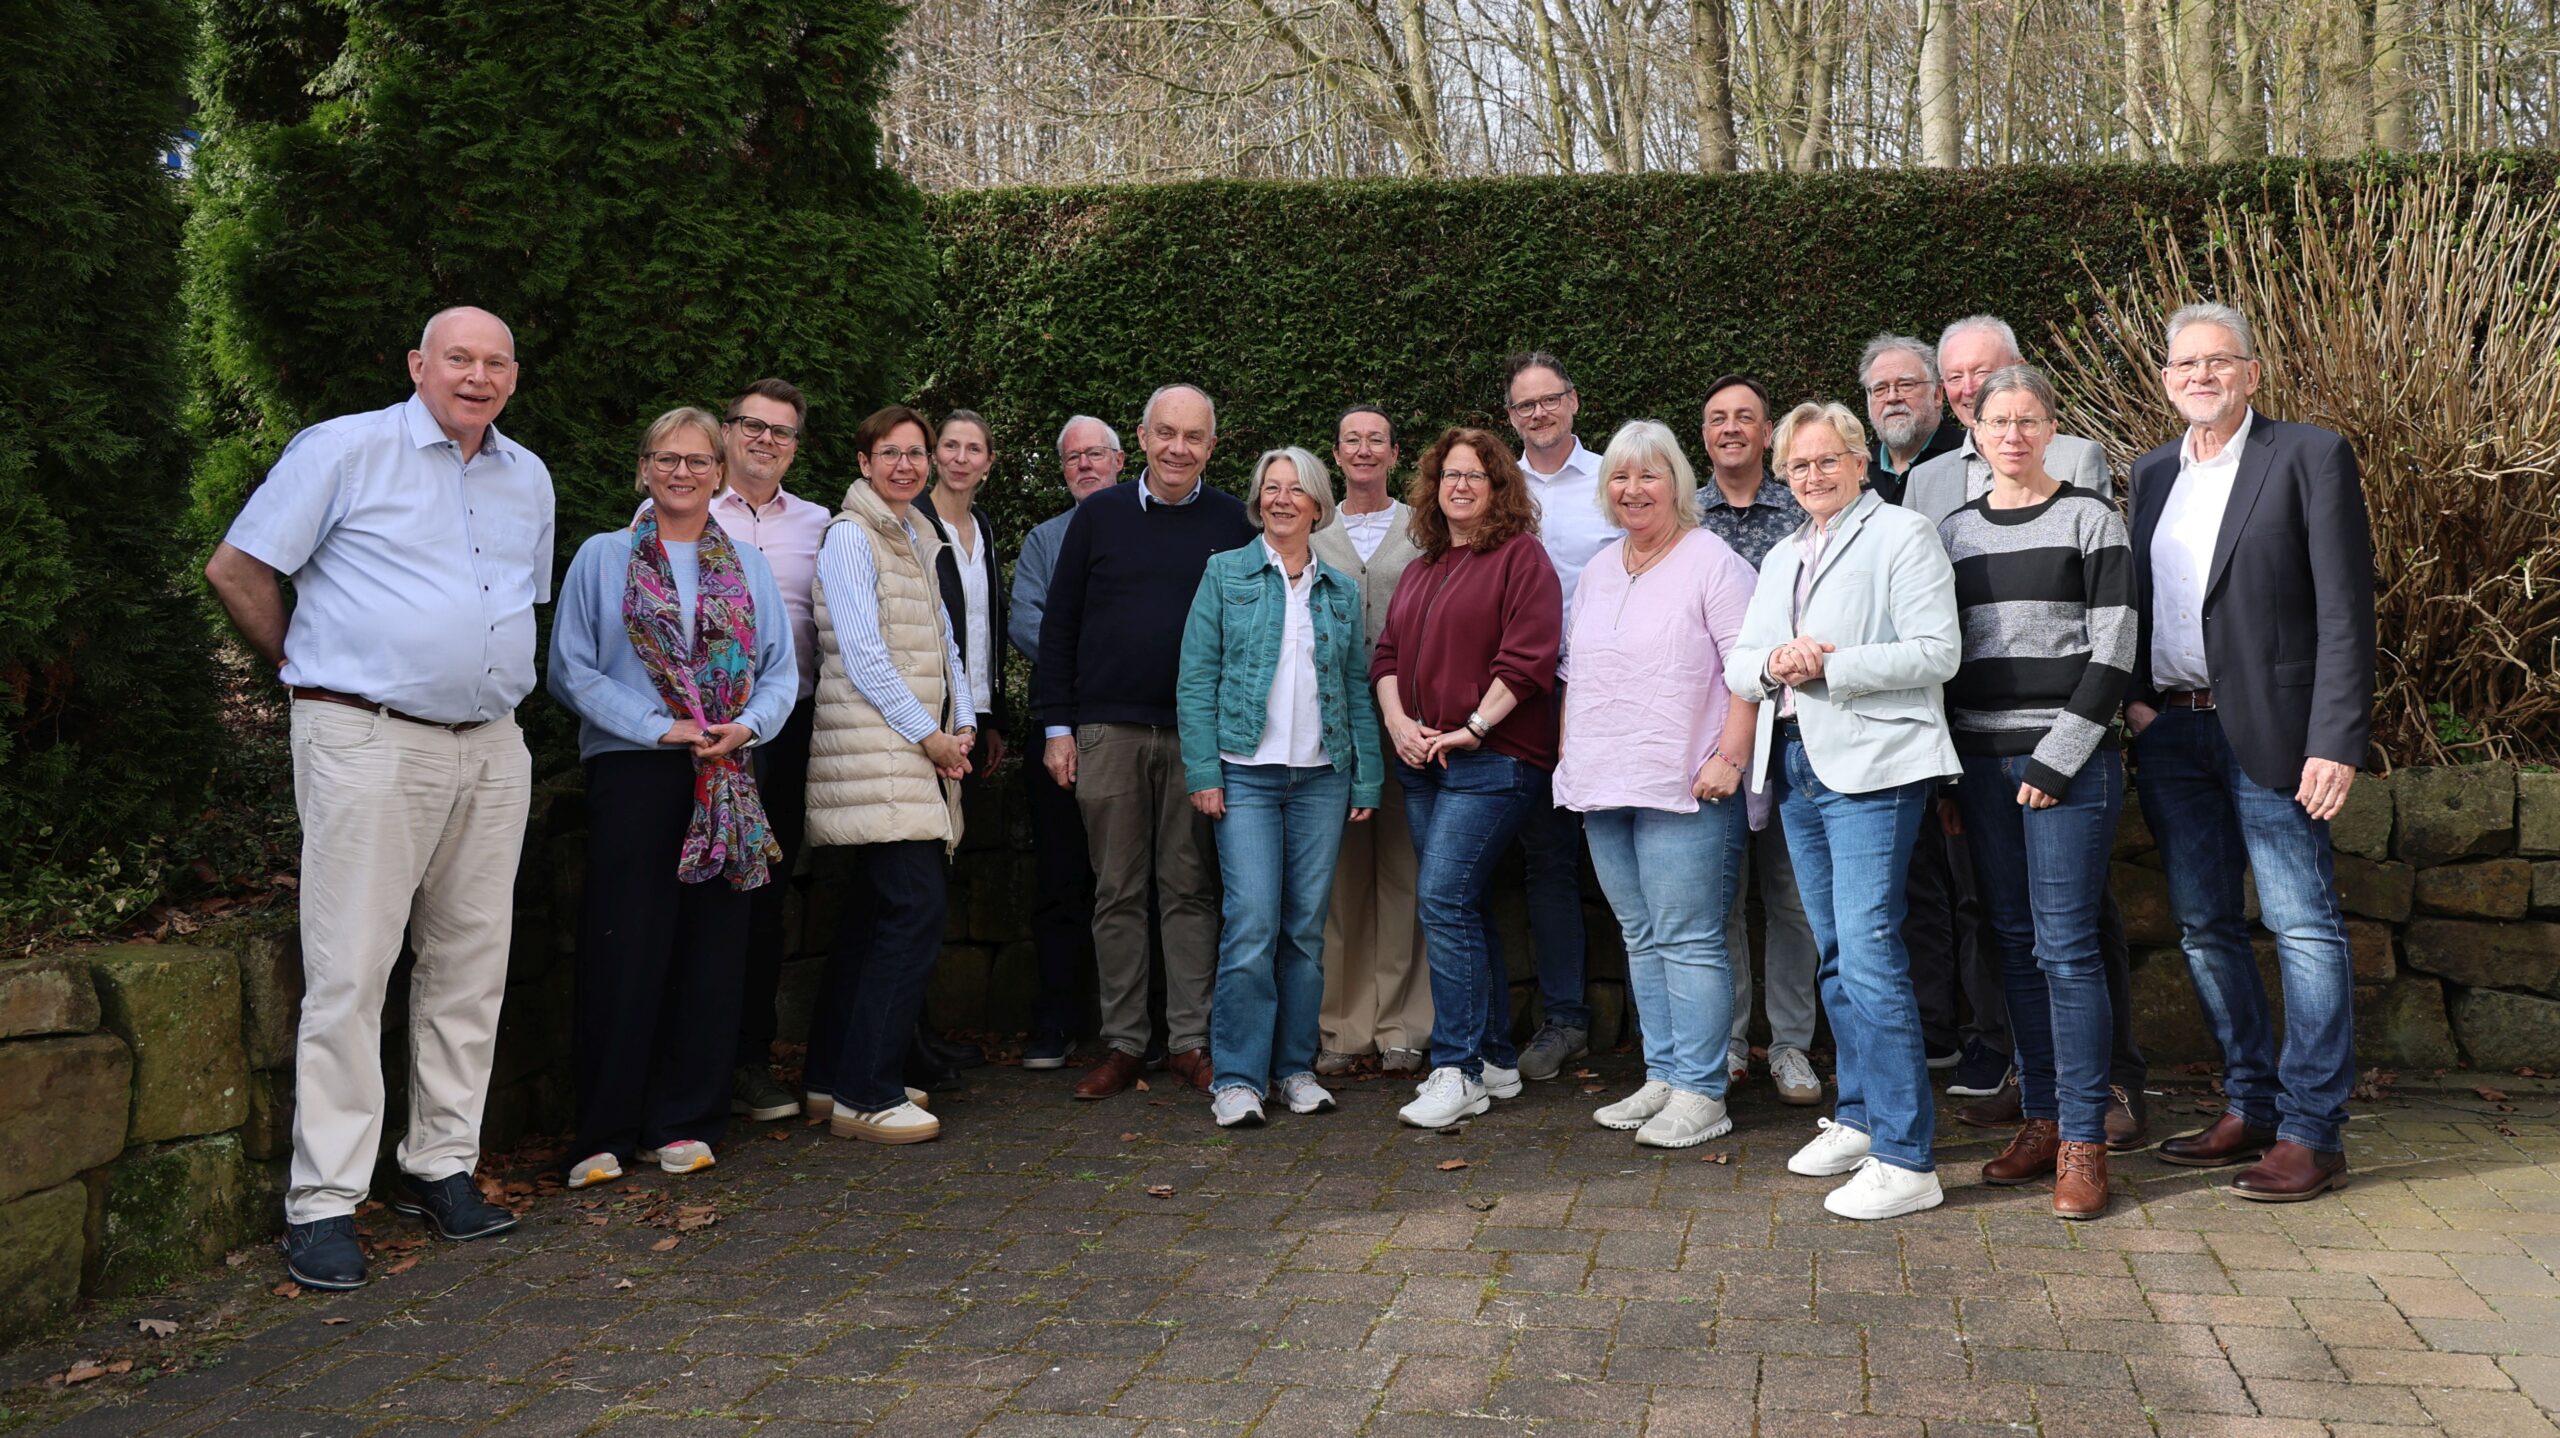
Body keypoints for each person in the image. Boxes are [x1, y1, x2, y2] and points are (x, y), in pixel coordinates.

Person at [205, 306, 549, 1290]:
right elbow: (236, 565)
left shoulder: (527, 477)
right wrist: (305, 663)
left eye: (494, 362)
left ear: (513, 378)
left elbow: (509, 606)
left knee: (469, 962)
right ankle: (322, 1202)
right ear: (419, 365)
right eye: (458, 358)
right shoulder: (346, 451)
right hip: (366, 738)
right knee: (352, 968)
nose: (476, 376)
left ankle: (441, 1164)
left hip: (490, 745)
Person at [2131, 303, 2374, 1202]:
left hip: (2276, 733)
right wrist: (2137, 704)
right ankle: (2252, 1106)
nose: (2200, 375)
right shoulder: (2151, 472)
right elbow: (2137, 599)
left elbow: (2348, 609)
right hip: (2174, 732)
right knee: (2204, 927)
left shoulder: (2309, 455)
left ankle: (2315, 1133)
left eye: (2218, 361)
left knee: (2304, 926)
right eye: (2184, 363)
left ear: (2252, 373)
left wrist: (2336, 739)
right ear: (2166, 379)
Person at [1906, 315, 2150, 1147]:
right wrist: (1948, 773)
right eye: (1997, 420)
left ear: (2053, 429)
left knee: (2066, 947)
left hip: (2065, 765)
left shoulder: (2090, 519)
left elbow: (2116, 647)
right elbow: (1942, 656)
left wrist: (2059, 757)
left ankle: (2084, 1137)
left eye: (2029, 420)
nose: (2013, 432)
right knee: (2011, 941)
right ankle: (2042, 1118)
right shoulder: (1953, 532)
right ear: (1972, 427)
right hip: (1979, 764)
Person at [550, 407, 796, 1188]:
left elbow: (782, 671)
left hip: (725, 774)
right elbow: (571, 669)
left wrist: (747, 726)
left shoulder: (749, 568)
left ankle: (685, 1122)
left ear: (719, 472)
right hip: (638, 772)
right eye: (667, 458)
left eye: (697, 460)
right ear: (645, 468)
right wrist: (658, 728)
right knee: (627, 948)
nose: (682, 472)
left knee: (711, 951)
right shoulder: (602, 557)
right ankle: (606, 1130)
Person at [1728, 401, 1961, 1221]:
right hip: (1794, 762)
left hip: (1876, 763)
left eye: (1830, 460)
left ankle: (1909, 1157)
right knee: (1833, 950)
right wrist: (1776, 664)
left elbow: (1939, 651)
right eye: (1800, 465)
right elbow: (1741, 662)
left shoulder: (1903, 535)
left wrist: (1827, 664)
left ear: (1861, 462)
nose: (1814, 475)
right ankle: (1860, 1120)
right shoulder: (1784, 554)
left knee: (1867, 950)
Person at [1034, 385, 1258, 1099]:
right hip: (1109, 731)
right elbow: (1058, 628)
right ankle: (1126, 1043)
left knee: (1191, 889)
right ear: (1142, 436)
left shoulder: (1233, 520)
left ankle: (1191, 1041)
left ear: (1211, 448)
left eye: (1193, 437)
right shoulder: (1097, 517)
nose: (1178, 448)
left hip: (1200, 735)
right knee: (1117, 891)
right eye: (1166, 433)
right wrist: (1058, 728)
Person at [1554, 421, 1760, 1149]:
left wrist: (1729, 759)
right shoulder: (1604, 568)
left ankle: (1704, 1092)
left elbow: (1751, 671)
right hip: (1604, 781)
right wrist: (1569, 760)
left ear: (1676, 481)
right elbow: (1581, 676)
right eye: (1619, 477)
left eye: (1649, 475)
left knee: (1689, 937)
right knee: (1641, 937)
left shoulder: (1714, 562)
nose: (1633, 490)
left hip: (1688, 783)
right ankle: (1665, 1075)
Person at [1177, 448, 1383, 1127]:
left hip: (1323, 778)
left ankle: (1294, 1069)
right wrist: (1204, 770)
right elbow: (1196, 676)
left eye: (1297, 490)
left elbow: (1355, 685)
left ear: (1318, 506)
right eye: (1272, 488)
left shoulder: (1340, 590)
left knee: (1302, 930)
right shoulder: (1225, 572)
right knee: (1252, 923)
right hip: (1246, 775)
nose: (1282, 499)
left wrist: (1368, 776)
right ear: (1258, 501)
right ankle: (1236, 1077)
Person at [1372, 429, 1563, 1129]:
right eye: (1450, 474)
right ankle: (1494, 1059)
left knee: (1443, 899)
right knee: (1467, 904)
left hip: (1495, 758)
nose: (1460, 486)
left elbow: (1528, 660)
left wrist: (1474, 728)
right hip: (1422, 759)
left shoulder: (1521, 559)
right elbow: (1386, 655)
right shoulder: (1423, 568)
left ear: (1498, 488)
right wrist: (1399, 725)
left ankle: (1455, 1069)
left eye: (1476, 476)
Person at [801, 405, 977, 1145]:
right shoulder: (850, 537)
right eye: (890, 454)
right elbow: (863, 655)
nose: (906, 465)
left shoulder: (912, 532)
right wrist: (931, 737)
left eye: (916, 453)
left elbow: (944, 645)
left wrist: (964, 718)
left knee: (876, 918)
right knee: (911, 912)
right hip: (883, 755)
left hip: (914, 753)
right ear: (864, 461)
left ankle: (831, 1077)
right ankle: (868, 1094)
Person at [702, 380, 832, 1128]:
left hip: (785, 732)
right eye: (752, 425)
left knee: (765, 895)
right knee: (698, 890)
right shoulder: (675, 510)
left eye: (781, 432)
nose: (764, 440)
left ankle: (748, 1059)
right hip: (696, 735)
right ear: (726, 433)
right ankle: (692, 1060)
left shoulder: (819, 525)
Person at [1695, 376, 1824, 1109]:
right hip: (1710, 734)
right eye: (1718, 419)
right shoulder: (1686, 517)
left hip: (1793, 728)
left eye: (1746, 417)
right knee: (1718, 898)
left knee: (1791, 895)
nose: (1732, 428)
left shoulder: (1802, 513)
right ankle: (1730, 1043)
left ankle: (1793, 1047)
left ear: (1769, 431)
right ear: (1705, 434)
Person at [1502, 351, 1617, 1081]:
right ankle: (1566, 1017)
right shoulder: (1494, 486)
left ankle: (1659, 1022)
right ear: (1510, 417)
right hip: (1525, 700)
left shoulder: (1615, 479)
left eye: (1550, 400)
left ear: (1574, 402)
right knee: (1546, 861)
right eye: (1524, 406)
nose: (1539, 414)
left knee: (1627, 857)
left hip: (1613, 696)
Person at [1311, 405, 1433, 1076]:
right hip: (1330, 731)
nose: (1363, 450)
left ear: (1394, 453)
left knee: (1405, 873)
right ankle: (1345, 1025)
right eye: (1352, 439)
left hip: (1407, 723)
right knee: (1341, 878)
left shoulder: (1421, 531)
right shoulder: (1312, 528)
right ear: (1336, 453)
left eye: (1376, 440)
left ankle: (1405, 1026)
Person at [1008, 416, 1127, 1069]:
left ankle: (1137, 1025)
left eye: (1095, 455)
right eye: (1073, 457)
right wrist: (1102, 662)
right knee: (1059, 879)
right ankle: (1058, 1019)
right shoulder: (1042, 541)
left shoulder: (1145, 524)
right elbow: (1030, 625)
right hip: (1058, 728)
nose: (1084, 465)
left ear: (1118, 460)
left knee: (1136, 880)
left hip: (1136, 729)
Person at [907, 407, 1011, 1090]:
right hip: (924, 725)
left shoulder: (984, 531)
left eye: (975, 448)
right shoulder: (914, 525)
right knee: (914, 881)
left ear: (989, 462)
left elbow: (983, 631)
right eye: (950, 445)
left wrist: (992, 715)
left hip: (971, 722)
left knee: (939, 875)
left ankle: (920, 1032)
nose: (961, 458)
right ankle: (907, 1036)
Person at [1859, 334, 1963, 504]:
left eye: (1906, 385)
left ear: (1937, 395)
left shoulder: (1968, 456)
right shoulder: (1858, 470)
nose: (1892, 397)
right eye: (1880, 389)